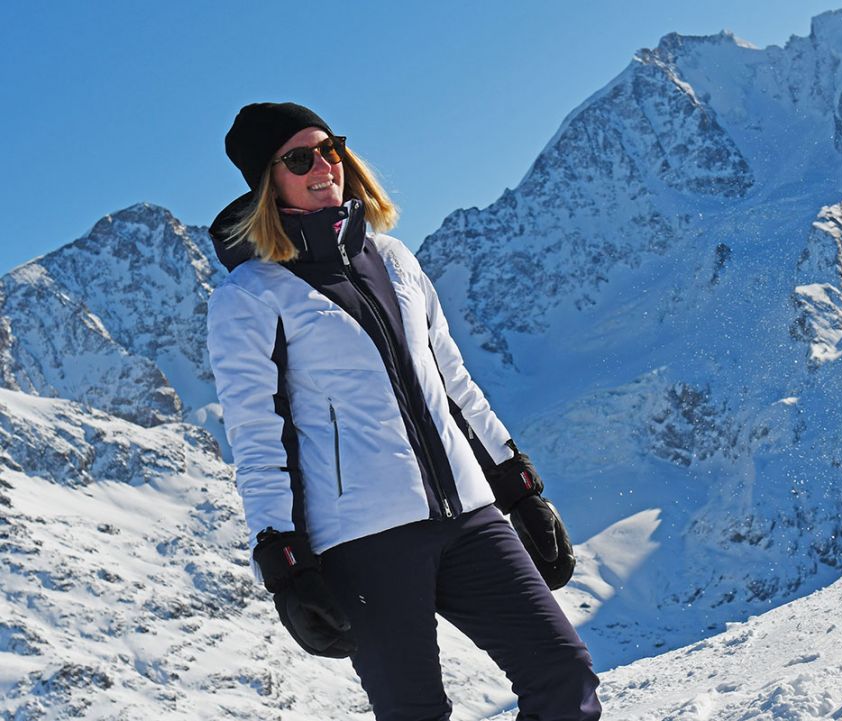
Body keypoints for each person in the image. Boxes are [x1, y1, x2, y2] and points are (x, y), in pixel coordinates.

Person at [205, 101, 602, 721]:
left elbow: (454, 385)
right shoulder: (251, 296)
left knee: (563, 674)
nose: (323, 166)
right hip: (365, 541)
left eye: (329, 149)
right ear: (267, 182)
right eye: (299, 159)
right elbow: (259, 439)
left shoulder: (394, 260)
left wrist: (518, 486)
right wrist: (283, 564)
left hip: (469, 516)